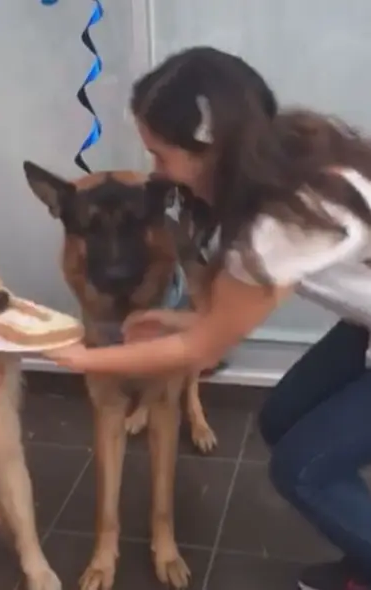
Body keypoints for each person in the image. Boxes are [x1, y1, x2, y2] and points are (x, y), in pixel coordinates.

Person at [43, 46, 371, 590]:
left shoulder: (283, 222)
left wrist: (75, 354)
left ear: (209, 148)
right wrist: (173, 324)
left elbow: (204, 350)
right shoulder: (287, 150)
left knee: (302, 470)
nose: (156, 172)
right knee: (280, 420)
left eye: (160, 155)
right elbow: (219, 317)